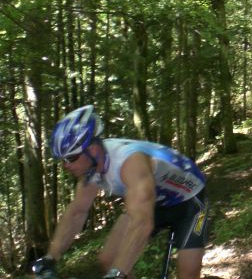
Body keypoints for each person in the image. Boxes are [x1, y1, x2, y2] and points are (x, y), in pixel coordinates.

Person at [31, 105, 209, 279]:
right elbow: (77, 212)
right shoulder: (92, 168)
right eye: (62, 160)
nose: (66, 165)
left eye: (71, 158)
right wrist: (50, 258)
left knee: (187, 274)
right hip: (151, 202)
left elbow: (142, 224)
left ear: (92, 149)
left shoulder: (129, 163)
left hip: (189, 202)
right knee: (109, 260)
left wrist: (118, 273)